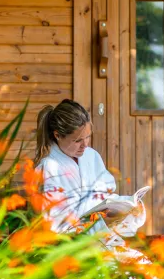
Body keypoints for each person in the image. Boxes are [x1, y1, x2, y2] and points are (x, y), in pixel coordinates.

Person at [33, 99, 149, 264]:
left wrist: (122, 210)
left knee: (142, 266)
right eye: (77, 140)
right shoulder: (49, 168)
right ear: (57, 135)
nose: (84, 145)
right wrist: (98, 220)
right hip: (69, 252)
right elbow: (56, 226)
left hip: (102, 239)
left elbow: (106, 193)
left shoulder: (91, 156)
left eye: (87, 137)